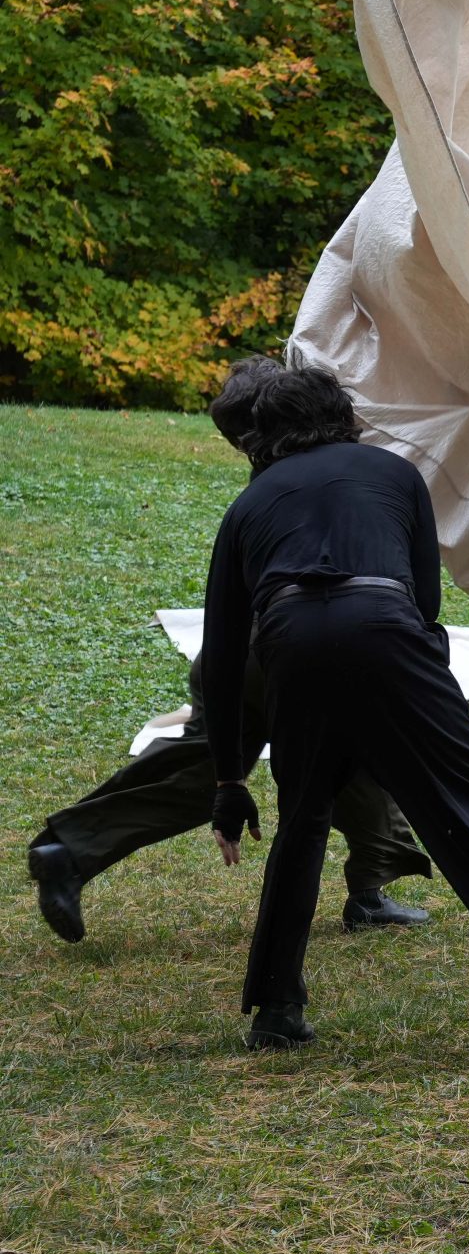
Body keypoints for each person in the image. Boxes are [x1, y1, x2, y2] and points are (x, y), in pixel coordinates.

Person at [197, 364, 469, 1048]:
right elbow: (424, 600)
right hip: (388, 629)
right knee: (467, 806)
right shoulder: (394, 475)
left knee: (301, 823)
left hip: (292, 646)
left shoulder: (249, 505)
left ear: (264, 434)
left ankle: (276, 1011)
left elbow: (222, 648)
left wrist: (227, 781)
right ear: (344, 416)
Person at [26, 360, 432, 944]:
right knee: (351, 752)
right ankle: (369, 887)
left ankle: (71, 847)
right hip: (293, 641)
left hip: (245, 648)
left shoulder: (268, 476)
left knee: (211, 768)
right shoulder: (314, 474)